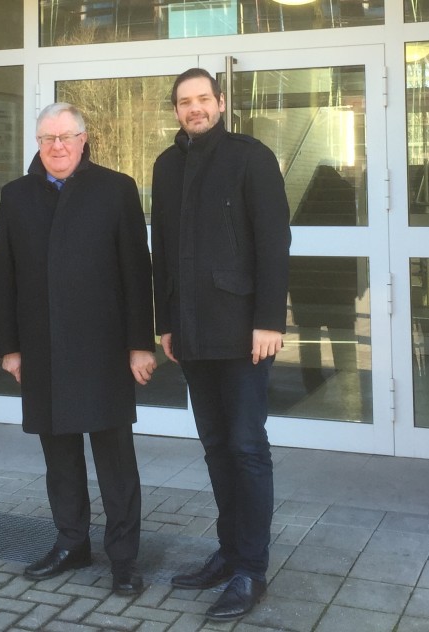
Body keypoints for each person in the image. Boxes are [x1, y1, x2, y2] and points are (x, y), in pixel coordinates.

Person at [0, 102, 156, 596]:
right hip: (41, 347)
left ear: (84, 140)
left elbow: (136, 273)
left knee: (115, 458)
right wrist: (10, 349)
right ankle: (71, 541)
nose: (56, 147)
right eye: (47, 139)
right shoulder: (16, 196)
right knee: (59, 454)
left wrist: (139, 345)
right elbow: (6, 276)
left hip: (104, 346)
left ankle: (124, 557)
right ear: (37, 143)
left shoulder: (116, 189)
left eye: (66, 137)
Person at [151, 69, 291, 621]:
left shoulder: (250, 157)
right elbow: (161, 247)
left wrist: (268, 320)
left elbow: (274, 242)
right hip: (190, 332)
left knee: (246, 447)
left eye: (203, 99)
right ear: (177, 110)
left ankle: (250, 571)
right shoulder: (166, 165)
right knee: (214, 446)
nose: (195, 109)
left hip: (242, 332)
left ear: (221, 102)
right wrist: (166, 324)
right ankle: (229, 552)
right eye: (185, 102)